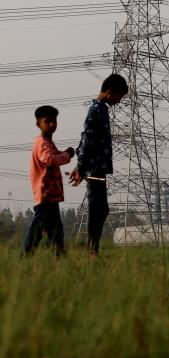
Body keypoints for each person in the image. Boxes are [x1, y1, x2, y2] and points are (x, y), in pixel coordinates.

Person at [69, 74, 128, 256]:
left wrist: (79, 165)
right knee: (98, 209)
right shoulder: (97, 110)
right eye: (119, 97)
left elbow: (84, 137)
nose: (119, 101)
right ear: (110, 92)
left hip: (97, 167)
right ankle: (92, 251)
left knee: (101, 209)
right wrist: (80, 167)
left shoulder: (101, 109)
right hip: (94, 169)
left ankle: (93, 249)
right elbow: (87, 141)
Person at [23, 106, 75, 256]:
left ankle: (58, 257)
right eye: (47, 121)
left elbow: (55, 154)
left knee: (54, 230)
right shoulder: (42, 143)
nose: (52, 124)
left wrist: (66, 152)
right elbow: (50, 159)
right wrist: (67, 155)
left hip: (50, 196)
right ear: (38, 124)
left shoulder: (47, 142)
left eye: (54, 121)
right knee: (38, 230)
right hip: (45, 195)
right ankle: (26, 256)